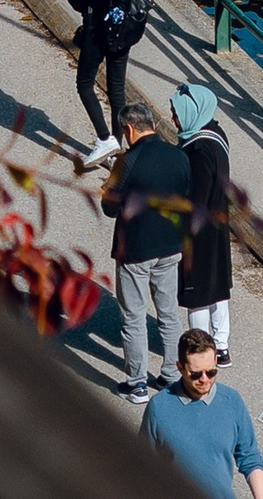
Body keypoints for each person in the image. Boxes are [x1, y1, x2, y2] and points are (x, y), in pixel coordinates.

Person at [101, 108, 192, 402]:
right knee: (168, 314)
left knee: (134, 316)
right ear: (151, 124)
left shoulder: (126, 161)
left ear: (128, 129)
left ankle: (137, 382)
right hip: (170, 246)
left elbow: (110, 207)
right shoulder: (179, 156)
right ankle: (171, 374)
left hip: (135, 249)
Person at [140, 331, 263, 499]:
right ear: (180, 367)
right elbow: (141, 464)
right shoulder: (159, 407)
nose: (204, 379)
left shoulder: (231, 401)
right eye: (196, 374)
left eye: (211, 372)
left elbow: (250, 458)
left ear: (215, 361)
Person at [66, 0, 148, 163]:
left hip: (96, 31)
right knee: (116, 91)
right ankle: (117, 147)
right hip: (122, 32)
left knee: (85, 83)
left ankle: (105, 139)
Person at [170, 83, 234, 362]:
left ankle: (199, 347)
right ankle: (221, 344)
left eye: (176, 111)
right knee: (218, 286)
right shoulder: (217, 134)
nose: (173, 117)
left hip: (198, 231)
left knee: (196, 290)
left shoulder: (198, 150)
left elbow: (196, 198)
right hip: (218, 224)